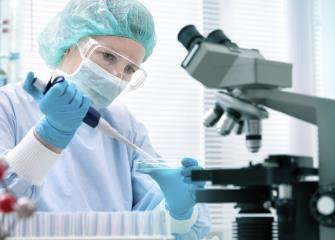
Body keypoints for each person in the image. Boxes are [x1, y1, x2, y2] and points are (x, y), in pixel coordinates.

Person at [0, 0, 211, 239]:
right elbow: (4, 210)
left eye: (130, 69)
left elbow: (157, 223)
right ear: (69, 44)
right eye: (108, 56)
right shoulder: (8, 106)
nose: (117, 76)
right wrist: (47, 138)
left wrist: (178, 212)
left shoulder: (124, 125)